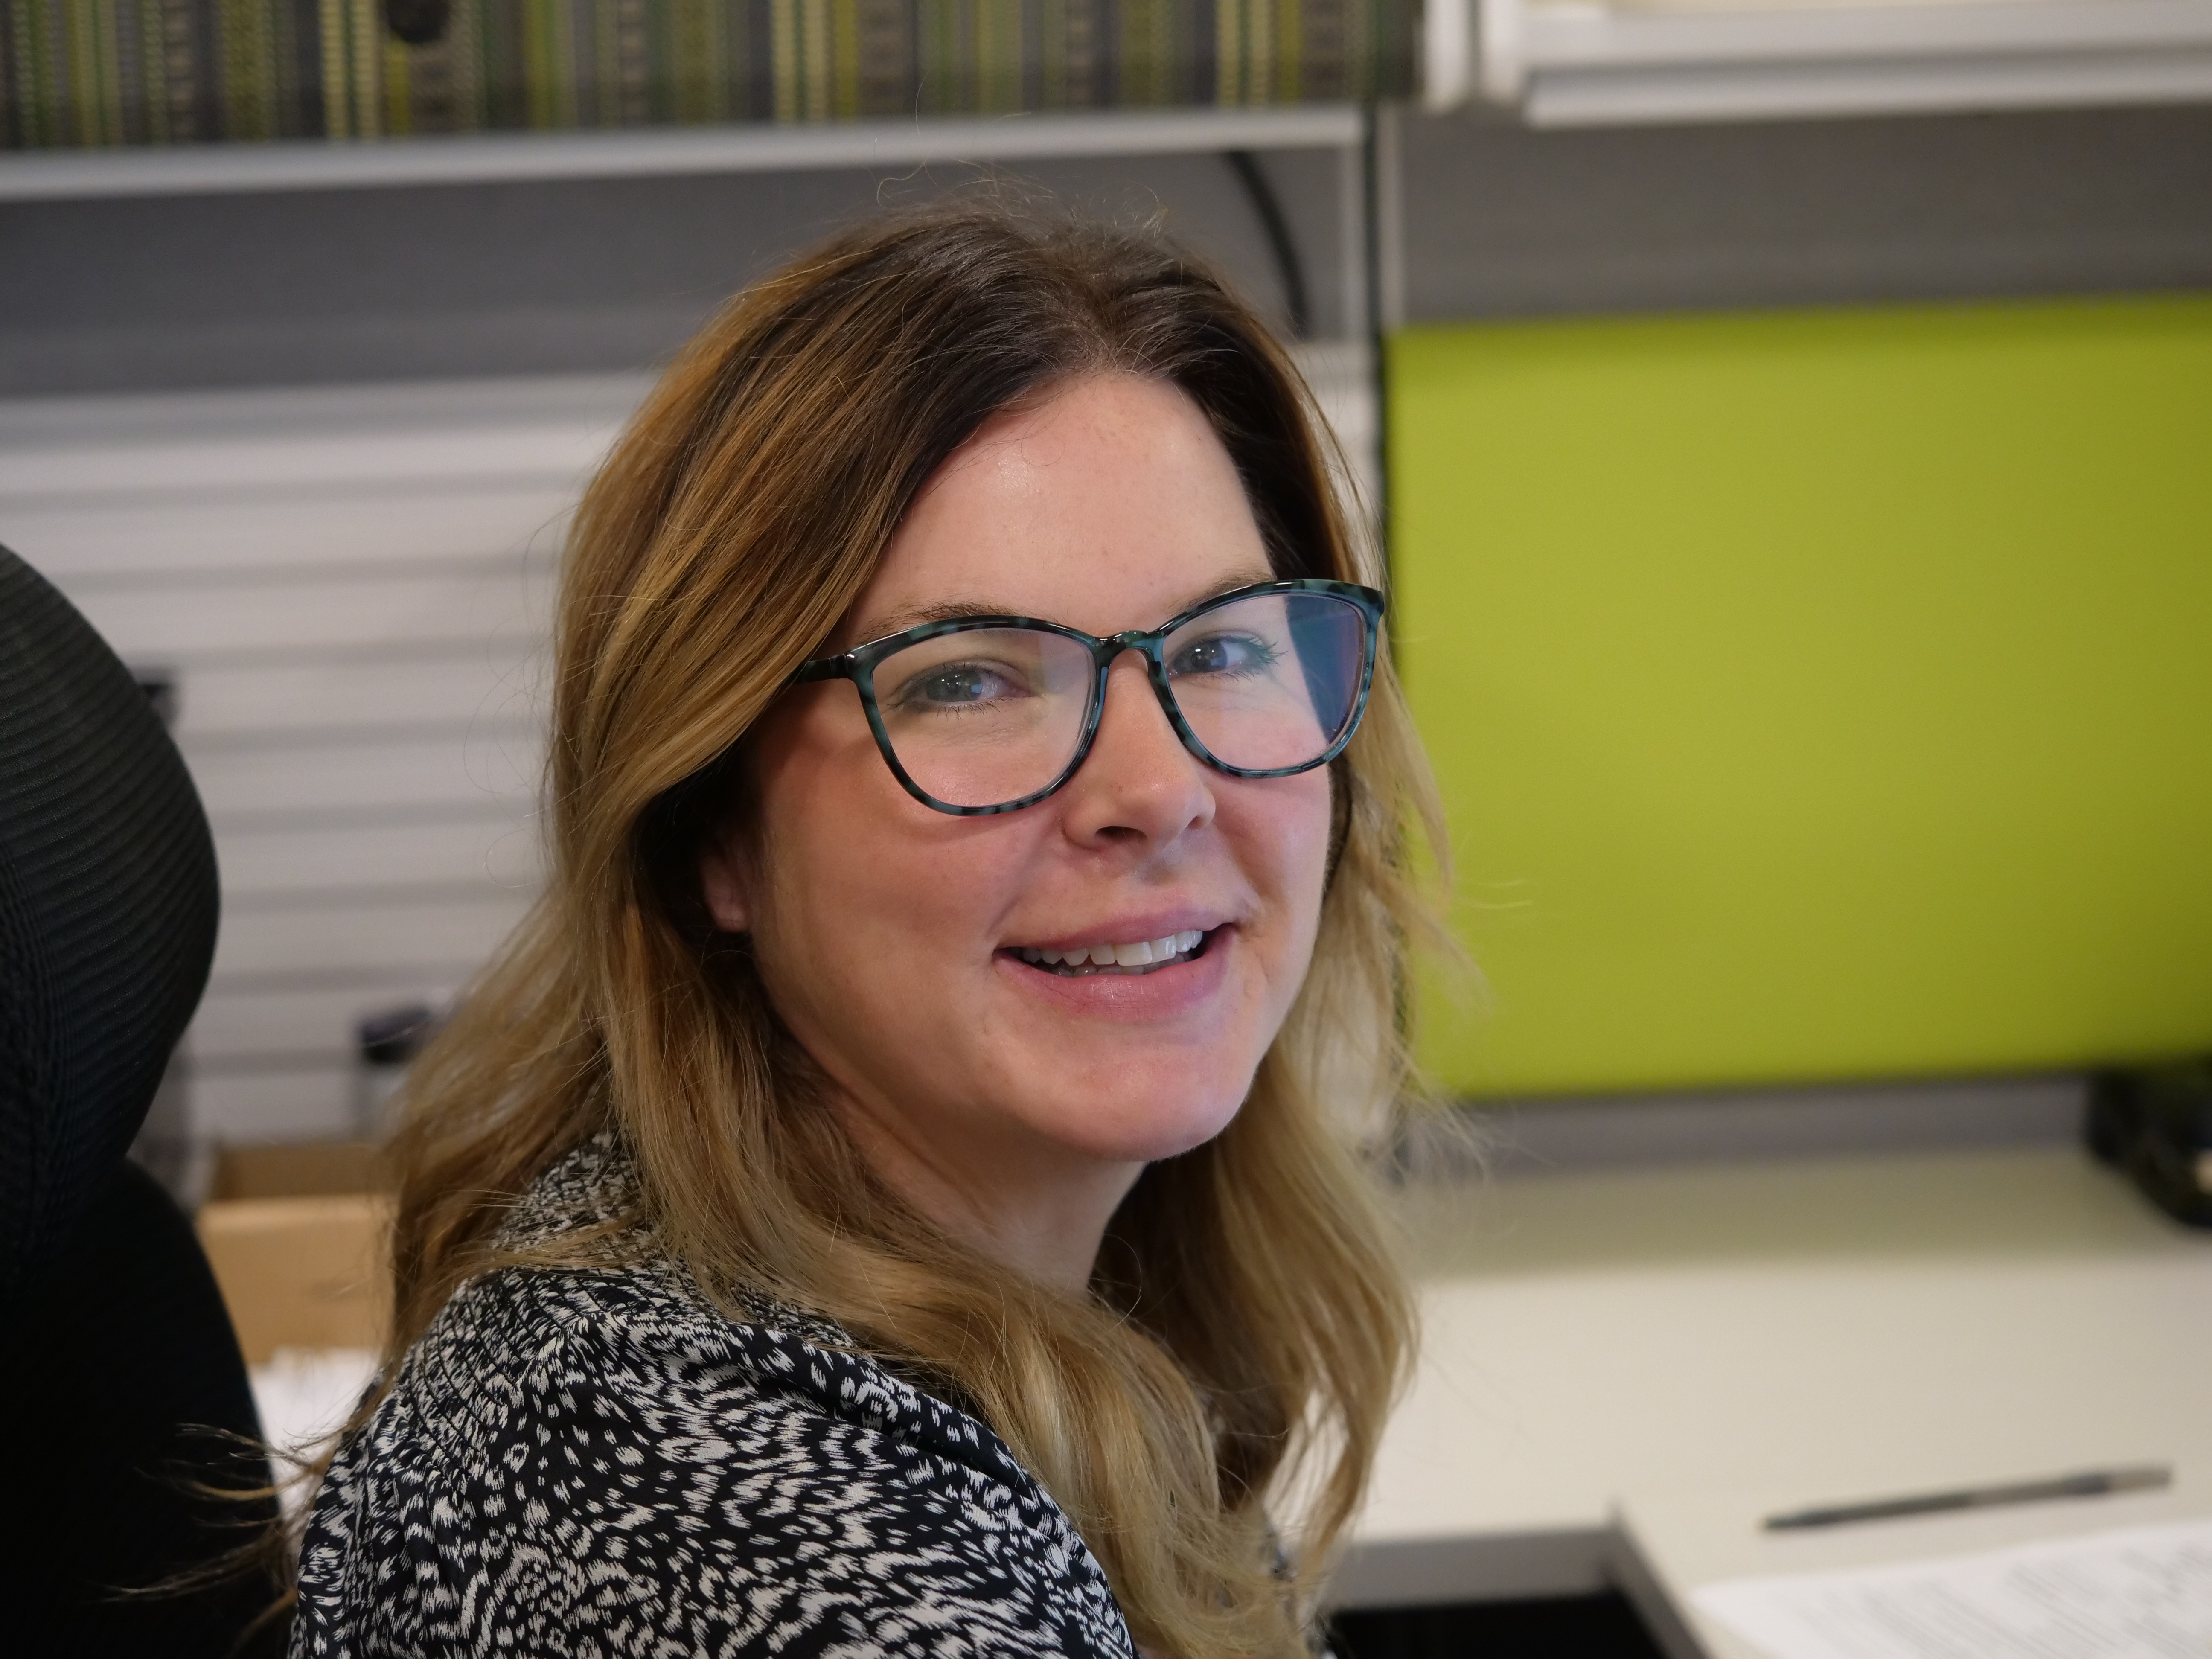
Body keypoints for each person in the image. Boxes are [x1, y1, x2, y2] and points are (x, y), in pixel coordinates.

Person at [288, 203, 1447, 1659]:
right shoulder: (696, 1524)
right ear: (713, 832)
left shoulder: (998, 1324)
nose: (1159, 793)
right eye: (968, 683)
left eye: (1220, 651)